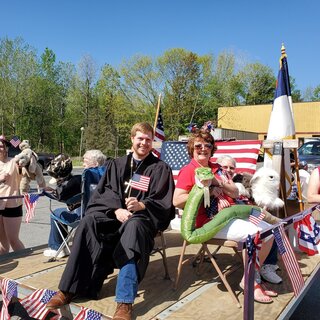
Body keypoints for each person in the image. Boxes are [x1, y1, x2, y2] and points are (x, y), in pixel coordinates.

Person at [46, 122, 175, 320]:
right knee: (89, 221)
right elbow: (103, 193)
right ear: (132, 139)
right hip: (115, 214)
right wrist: (116, 209)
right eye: (140, 138)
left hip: (141, 219)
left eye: (148, 140)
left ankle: (124, 302)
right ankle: (68, 289)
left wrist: (142, 205)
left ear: (153, 142)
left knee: (133, 227)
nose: (144, 143)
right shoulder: (117, 164)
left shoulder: (160, 168)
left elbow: (163, 200)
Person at [173, 128, 277, 303]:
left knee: (269, 231)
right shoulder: (188, 170)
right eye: (198, 145)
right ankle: (253, 283)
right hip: (206, 222)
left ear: (212, 148)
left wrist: (218, 182)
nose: (203, 148)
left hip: (230, 213)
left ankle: (251, 277)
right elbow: (177, 201)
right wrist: (209, 191)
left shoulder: (216, 168)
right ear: (192, 148)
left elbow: (235, 193)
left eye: (208, 145)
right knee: (254, 234)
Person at [43, 150, 107, 258]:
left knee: (56, 212)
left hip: (83, 217)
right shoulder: (106, 176)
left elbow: (62, 196)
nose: (83, 164)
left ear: (95, 164)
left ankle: (57, 247)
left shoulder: (82, 178)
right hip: (102, 215)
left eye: (86, 162)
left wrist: (51, 192)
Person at [0, 135, 25, 254]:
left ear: (6, 148)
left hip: (12, 204)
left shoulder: (13, 161)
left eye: (1, 146)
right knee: (1, 242)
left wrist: (22, 165)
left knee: (13, 240)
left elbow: (26, 171)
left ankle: (27, 265)